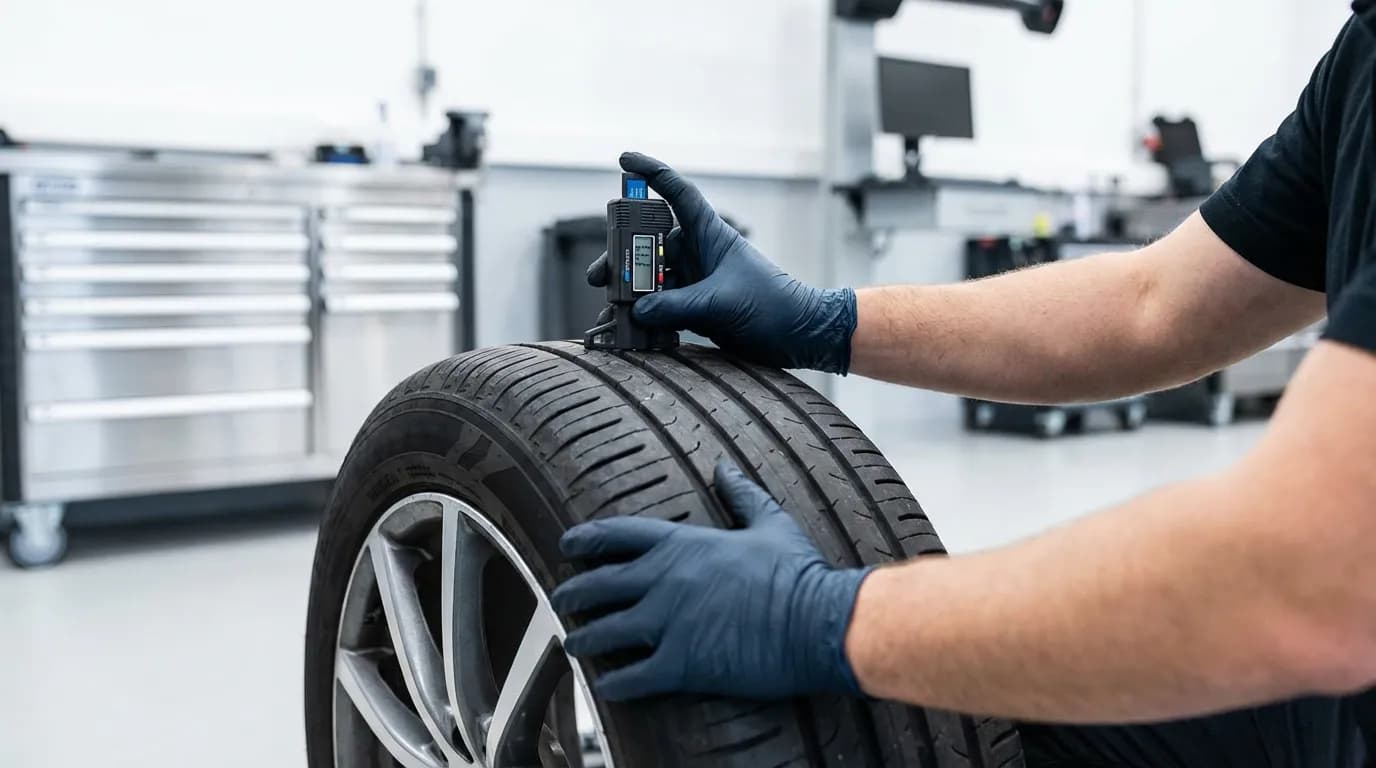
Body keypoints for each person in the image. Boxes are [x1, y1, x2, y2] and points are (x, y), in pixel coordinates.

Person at [550, 6, 1376, 765]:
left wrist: (828, 620)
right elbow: (1151, 308)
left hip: (1334, 638)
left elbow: (1315, 579)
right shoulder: (1362, 59)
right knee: (977, 718)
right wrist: (824, 320)